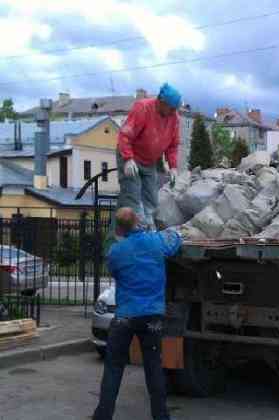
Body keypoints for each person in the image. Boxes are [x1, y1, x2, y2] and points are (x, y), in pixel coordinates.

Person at [93, 207, 182, 420]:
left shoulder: (116, 251)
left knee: (113, 368)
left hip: (125, 317)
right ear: (137, 222)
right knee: (153, 368)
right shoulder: (155, 241)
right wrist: (174, 232)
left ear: (119, 229)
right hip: (152, 317)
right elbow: (175, 241)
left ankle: (103, 416)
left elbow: (114, 271)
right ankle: (161, 416)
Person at [117, 83, 182, 230]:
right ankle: (139, 233)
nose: (173, 112)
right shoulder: (143, 108)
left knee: (151, 199)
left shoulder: (174, 118)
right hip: (131, 157)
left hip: (149, 161)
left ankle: (148, 228)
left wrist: (173, 167)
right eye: (171, 108)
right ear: (161, 101)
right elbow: (125, 135)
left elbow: (173, 145)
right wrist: (127, 159)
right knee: (133, 197)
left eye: (175, 109)